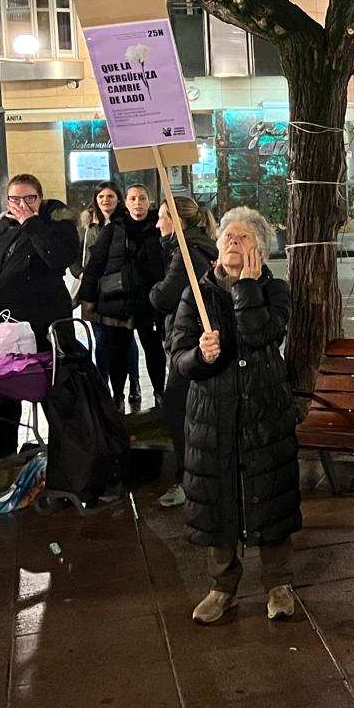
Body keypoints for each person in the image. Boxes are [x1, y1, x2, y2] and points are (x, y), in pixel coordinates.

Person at [169, 207, 301, 624]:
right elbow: (179, 358)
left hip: (265, 412)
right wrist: (199, 356)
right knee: (218, 498)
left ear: (260, 250)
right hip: (213, 413)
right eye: (228, 236)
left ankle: (278, 584)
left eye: (244, 238)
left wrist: (246, 288)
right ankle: (222, 585)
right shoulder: (196, 292)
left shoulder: (276, 290)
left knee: (271, 496)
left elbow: (262, 334)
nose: (233, 242)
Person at [0, 173, 80, 458]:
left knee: (52, 392)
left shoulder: (58, 226)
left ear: (41, 198)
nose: (22, 205)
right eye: (15, 199)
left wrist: (32, 223)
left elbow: (58, 259)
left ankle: (68, 454)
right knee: (3, 393)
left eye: (29, 199)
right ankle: (5, 453)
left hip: (40, 327)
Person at [149, 197, 217, 509]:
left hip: (188, 344)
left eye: (163, 217)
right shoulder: (195, 246)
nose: (158, 223)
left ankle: (186, 479)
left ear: (178, 222)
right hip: (189, 341)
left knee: (176, 407)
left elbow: (164, 297)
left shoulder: (187, 252)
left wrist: (153, 289)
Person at [77, 184, 167, 410]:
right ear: (126, 203)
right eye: (133, 198)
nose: (138, 203)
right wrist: (88, 296)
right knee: (117, 353)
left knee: (154, 351)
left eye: (142, 198)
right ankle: (118, 396)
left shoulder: (159, 227)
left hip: (150, 302)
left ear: (149, 201)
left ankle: (159, 394)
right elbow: (95, 264)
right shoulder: (113, 229)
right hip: (119, 302)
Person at [74, 181, 139, 400]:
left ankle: (133, 383)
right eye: (101, 196)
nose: (105, 200)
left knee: (125, 341)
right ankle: (104, 385)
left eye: (110, 196)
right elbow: (76, 256)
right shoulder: (87, 225)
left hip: (118, 292)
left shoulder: (126, 224)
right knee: (101, 340)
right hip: (93, 291)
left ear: (119, 199)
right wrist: (81, 274)